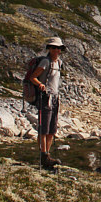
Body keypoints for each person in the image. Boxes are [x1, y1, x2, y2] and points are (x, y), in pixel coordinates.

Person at [28, 37, 66, 169]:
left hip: (55, 97)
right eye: (54, 47)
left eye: (58, 48)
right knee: (44, 128)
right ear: (49, 48)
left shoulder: (59, 63)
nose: (56, 50)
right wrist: (40, 85)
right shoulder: (45, 62)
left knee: (52, 129)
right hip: (45, 97)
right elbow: (32, 77)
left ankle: (47, 155)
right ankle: (43, 155)